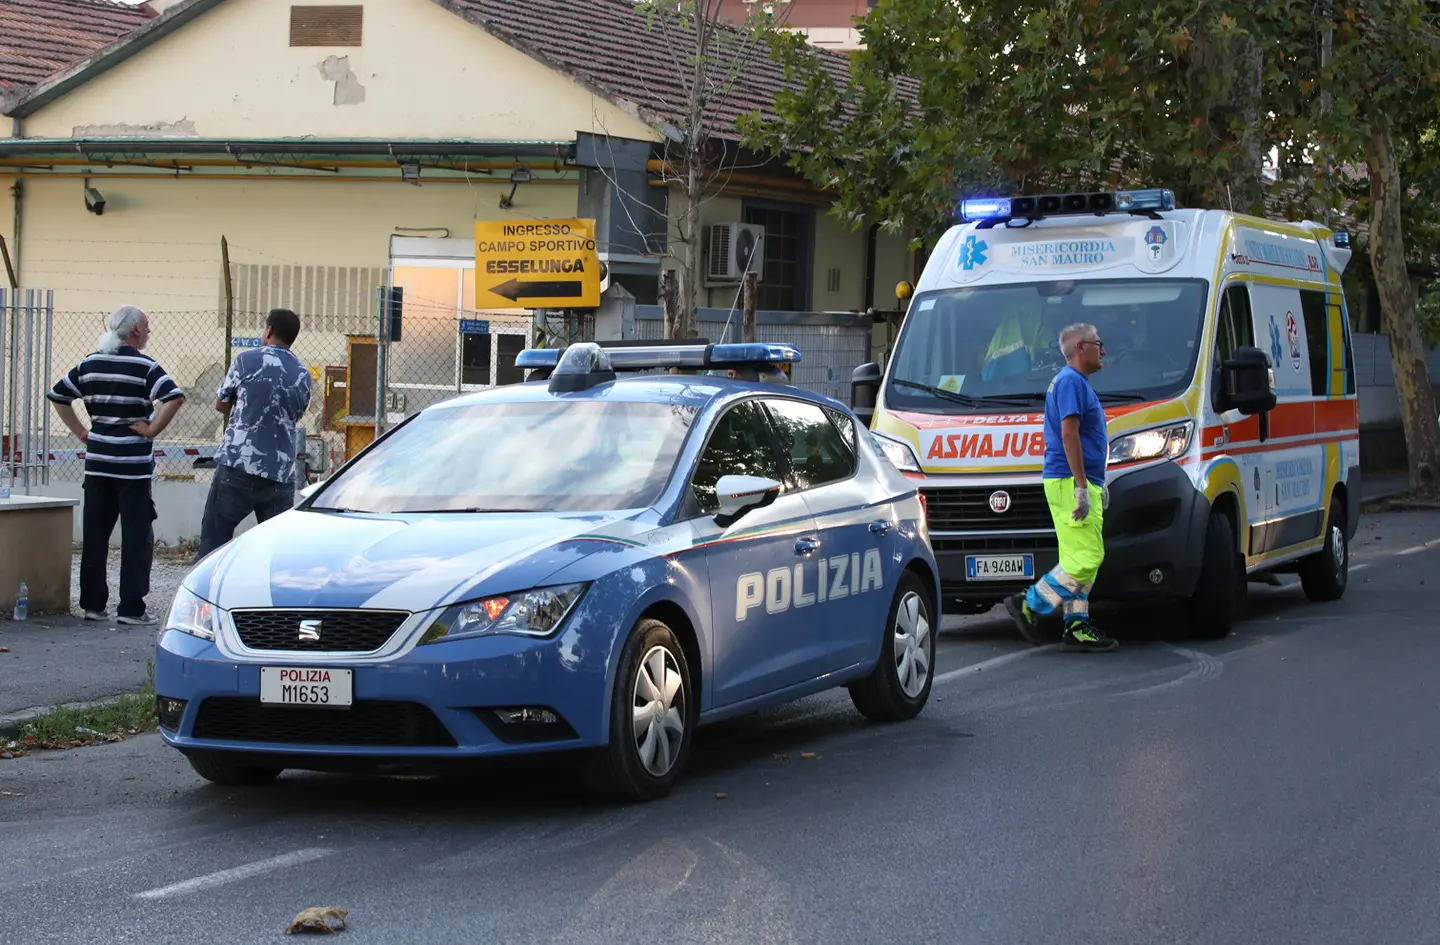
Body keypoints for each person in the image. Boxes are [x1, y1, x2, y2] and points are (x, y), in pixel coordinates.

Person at [48, 305, 185, 624]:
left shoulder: (89, 363)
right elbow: (174, 397)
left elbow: (58, 396)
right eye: (147, 328)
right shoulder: (145, 367)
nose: (149, 333)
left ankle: (93, 606)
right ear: (135, 331)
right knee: (136, 536)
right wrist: (152, 430)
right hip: (132, 468)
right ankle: (131, 608)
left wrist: (82, 431)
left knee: (95, 535)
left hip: (97, 464)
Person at [1005, 321, 1117, 652]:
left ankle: (1077, 624)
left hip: (1075, 480)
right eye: (1098, 343)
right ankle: (1031, 602)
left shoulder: (1072, 382)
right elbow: (1069, 435)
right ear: (1080, 348)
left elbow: (1078, 436)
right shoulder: (1071, 383)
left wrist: (1095, 482)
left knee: (1078, 558)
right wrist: (1082, 487)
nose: (1103, 350)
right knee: (1088, 556)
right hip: (1070, 482)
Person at [194, 308, 313, 561]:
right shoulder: (303, 374)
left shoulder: (245, 360)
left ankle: (206, 594)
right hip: (279, 472)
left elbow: (221, 403)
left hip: (238, 463)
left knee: (215, 538)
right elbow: (296, 414)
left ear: (268, 331)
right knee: (274, 550)